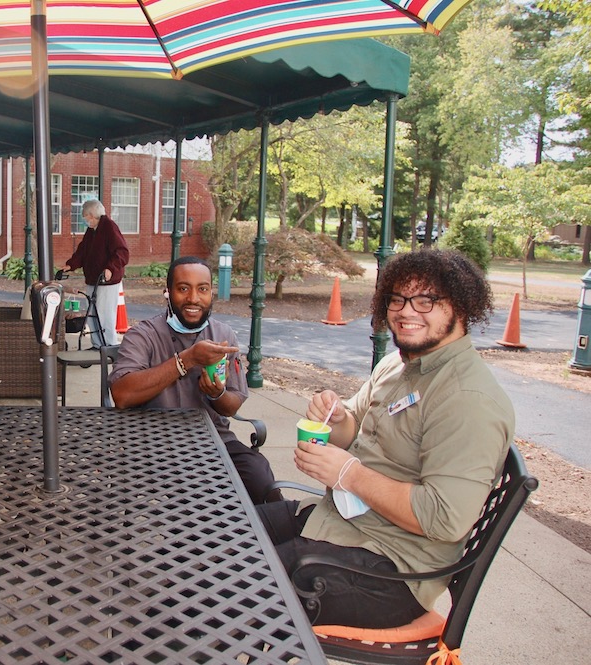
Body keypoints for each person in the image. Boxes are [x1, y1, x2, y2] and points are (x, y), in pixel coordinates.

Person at [256, 249, 514, 629]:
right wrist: (338, 417)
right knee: (226, 528)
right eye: (398, 298)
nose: (407, 311)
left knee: (233, 585)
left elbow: (444, 519)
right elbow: (354, 429)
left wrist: (349, 475)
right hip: (344, 524)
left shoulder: (468, 400)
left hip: (392, 572)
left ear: (460, 307)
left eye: (426, 300)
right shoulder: (398, 364)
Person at [108, 256, 280, 504]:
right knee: (201, 501)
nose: (193, 298)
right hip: (157, 446)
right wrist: (186, 360)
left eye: (202, 289)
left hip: (215, 441)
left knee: (262, 483)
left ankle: (268, 540)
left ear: (211, 293)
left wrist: (217, 394)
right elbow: (122, 395)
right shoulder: (143, 335)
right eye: (183, 289)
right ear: (168, 292)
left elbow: (232, 406)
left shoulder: (223, 335)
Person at [61, 198, 129, 348]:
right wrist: (71, 265)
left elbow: (122, 252)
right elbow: (82, 251)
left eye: (85, 217)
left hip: (106, 281)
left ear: (92, 215)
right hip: (93, 279)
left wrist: (110, 268)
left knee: (104, 315)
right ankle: (97, 344)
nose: (85, 220)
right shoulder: (92, 230)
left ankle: (109, 345)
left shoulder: (109, 227)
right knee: (93, 314)